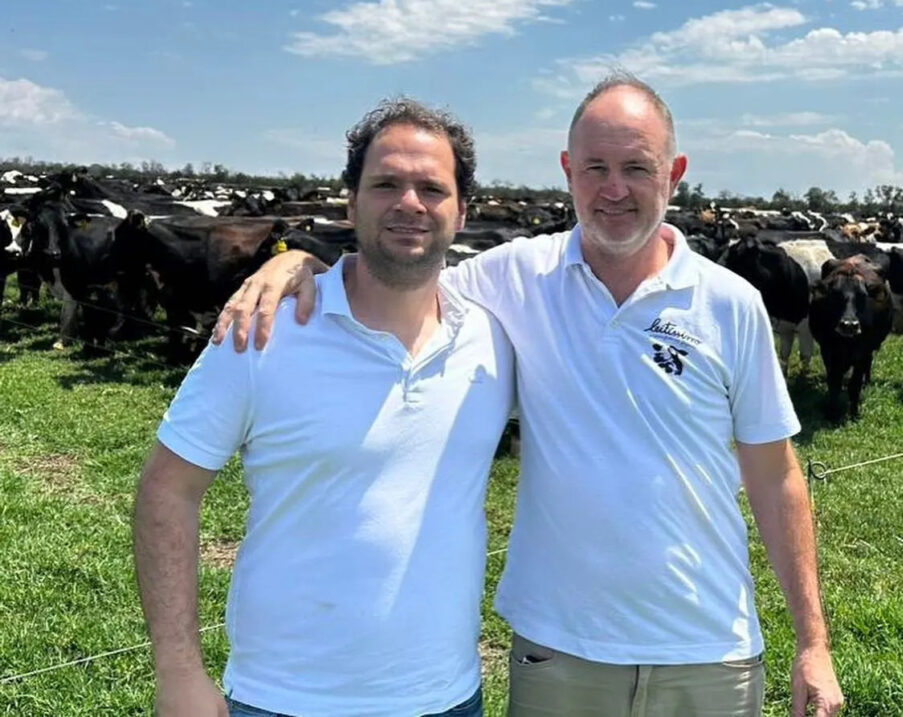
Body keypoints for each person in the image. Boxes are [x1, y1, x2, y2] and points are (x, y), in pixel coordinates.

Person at [216, 74, 844, 717]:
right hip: (558, 652)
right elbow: (399, 272)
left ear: (675, 173)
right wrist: (298, 260)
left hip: (712, 649)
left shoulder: (731, 304)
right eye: (595, 166)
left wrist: (812, 643)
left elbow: (776, 477)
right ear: (568, 171)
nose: (614, 188)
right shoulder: (512, 276)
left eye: (637, 167)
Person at [133, 99, 515, 717]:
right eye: (386, 183)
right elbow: (167, 491)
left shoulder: (492, 340)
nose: (409, 203)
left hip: (446, 698)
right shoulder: (261, 333)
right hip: (282, 699)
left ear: (462, 211)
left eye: (431, 188)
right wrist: (178, 672)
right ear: (351, 202)